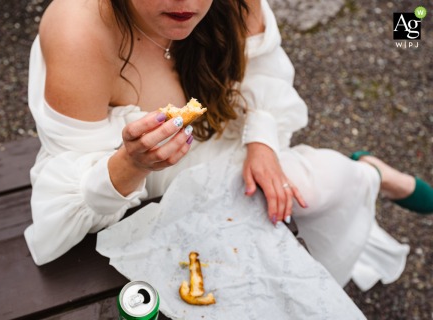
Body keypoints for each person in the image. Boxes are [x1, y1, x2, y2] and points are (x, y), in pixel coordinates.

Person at [24, 0, 433, 292]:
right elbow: (66, 196)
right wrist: (132, 163)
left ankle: (373, 174)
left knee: (323, 189)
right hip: (132, 199)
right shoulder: (78, 30)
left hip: (226, 151)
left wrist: (262, 143)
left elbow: (262, 78)